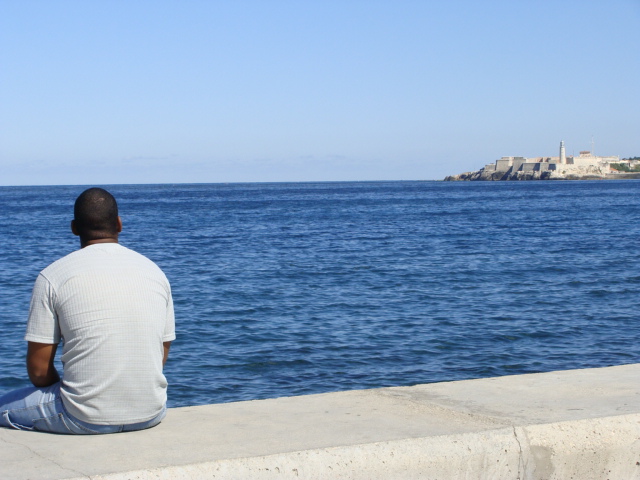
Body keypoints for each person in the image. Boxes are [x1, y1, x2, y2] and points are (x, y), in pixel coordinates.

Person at [0, 187, 175, 434]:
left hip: (82, 418)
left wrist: (78, 394)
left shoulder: (53, 276)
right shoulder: (155, 273)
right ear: (119, 224)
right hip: (151, 413)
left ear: (74, 228)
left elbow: (39, 373)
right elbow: (160, 355)